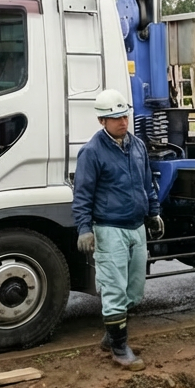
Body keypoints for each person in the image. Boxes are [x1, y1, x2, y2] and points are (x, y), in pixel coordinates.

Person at [72, 89, 164, 372]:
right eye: (115, 118)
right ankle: (119, 348)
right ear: (102, 121)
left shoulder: (136, 146)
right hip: (109, 227)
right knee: (113, 288)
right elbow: (82, 194)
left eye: (125, 115)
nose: (122, 121)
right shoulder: (92, 152)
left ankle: (112, 334)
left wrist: (154, 212)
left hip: (136, 226)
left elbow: (147, 183)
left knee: (134, 289)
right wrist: (84, 229)